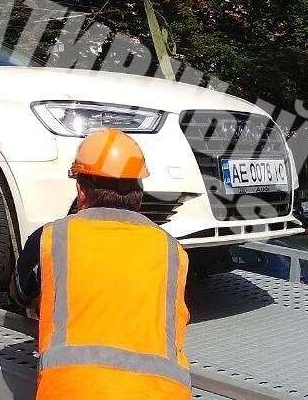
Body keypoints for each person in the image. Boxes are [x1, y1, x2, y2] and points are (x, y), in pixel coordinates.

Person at [10, 127, 191, 400]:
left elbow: (20, 294)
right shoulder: (172, 250)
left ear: (81, 191)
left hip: (73, 392)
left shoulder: (52, 237)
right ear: (139, 192)